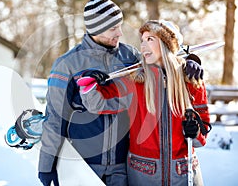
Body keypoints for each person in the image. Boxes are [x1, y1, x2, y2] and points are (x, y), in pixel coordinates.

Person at [38, 0, 204, 186]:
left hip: (122, 165)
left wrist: (188, 64)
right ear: (96, 29)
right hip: (83, 164)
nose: (119, 33)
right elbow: (54, 119)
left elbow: (163, 61)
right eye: (112, 28)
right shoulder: (68, 64)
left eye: (120, 25)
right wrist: (47, 164)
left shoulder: (130, 56)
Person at [78, 20, 211, 186]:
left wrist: (195, 131)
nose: (143, 46)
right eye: (142, 40)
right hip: (144, 175)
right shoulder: (134, 82)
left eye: (150, 39)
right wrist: (90, 86)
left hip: (183, 174)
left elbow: (202, 136)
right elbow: (98, 103)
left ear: (165, 44)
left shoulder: (191, 81)